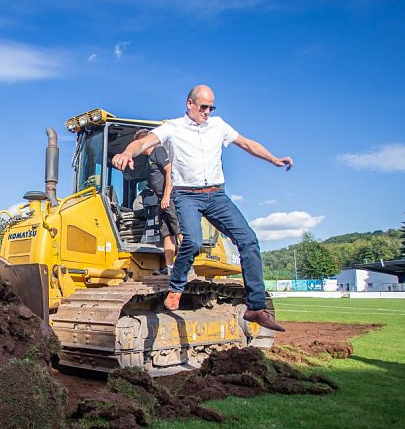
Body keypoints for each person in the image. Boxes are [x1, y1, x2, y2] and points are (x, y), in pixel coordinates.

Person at [112, 85, 292, 332]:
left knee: (249, 240)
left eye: (211, 108)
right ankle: (176, 286)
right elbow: (144, 141)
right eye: (203, 107)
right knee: (193, 241)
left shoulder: (218, 126)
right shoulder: (173, 127)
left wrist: (273, 159)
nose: (207, 112)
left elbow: (246, 144)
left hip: (217, 195)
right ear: (190, 103)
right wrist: (126, 152)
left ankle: (256, 308)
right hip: (186, 195)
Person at [133, 128, 181, 275]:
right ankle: (169, 267)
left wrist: (166, 196)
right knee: (167, 233)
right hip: (161, 201)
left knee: (179, 230)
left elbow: (170, 170)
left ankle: (187, 265)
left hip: (170, 198)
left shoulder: (159, 151)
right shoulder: (149, 159)